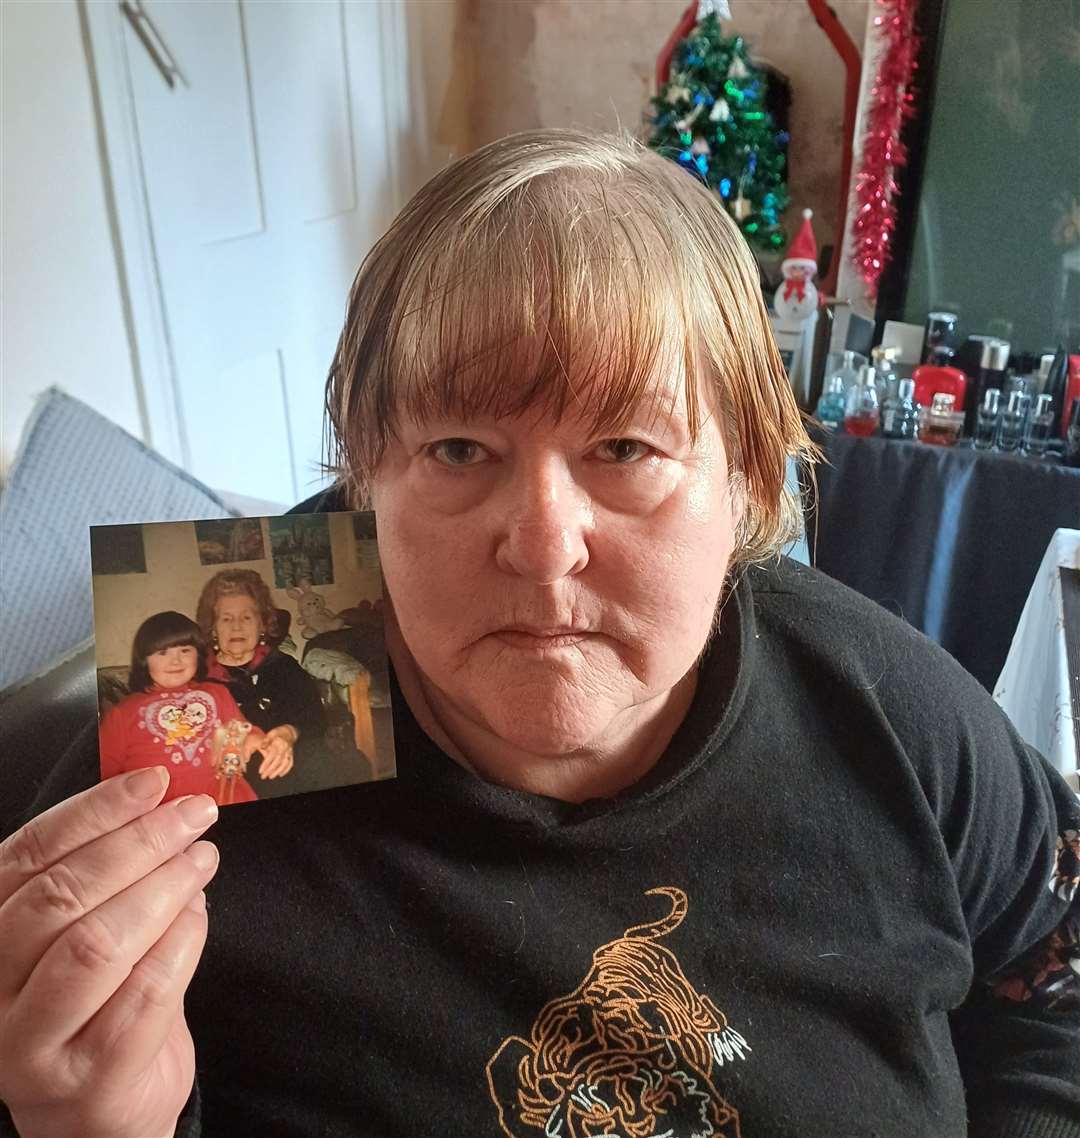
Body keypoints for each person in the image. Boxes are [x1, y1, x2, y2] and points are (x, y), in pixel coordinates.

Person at [1, 130, 1078, 1138]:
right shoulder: (176, 799)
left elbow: (1058, 963)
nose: (543, 546)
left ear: (751, 479)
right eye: (460, 449)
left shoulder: (882, 706)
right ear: (363, 478)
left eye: (626, 446)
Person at [97, 611, 263, 806]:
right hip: (158, 803)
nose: (175, 661)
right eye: (162, 652)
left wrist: (254, 738)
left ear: (198, 655)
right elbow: (105, 768)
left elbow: (244, 730)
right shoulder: (124, 711)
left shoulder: (217, 693)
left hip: (222, 792)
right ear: (144, 661)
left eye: (185, 650)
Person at [195, 569, 324, 794]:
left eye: (246, 617)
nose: (237, 626)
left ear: (262, 625)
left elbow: (314, 715)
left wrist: (288, 733)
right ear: (213, 628)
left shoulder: (282, 666)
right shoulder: (198, 675)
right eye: (226, 618)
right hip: (227, 769)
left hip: (288, 762)